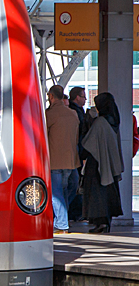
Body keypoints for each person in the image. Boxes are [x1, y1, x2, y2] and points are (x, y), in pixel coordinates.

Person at [82, 92, 125, 234]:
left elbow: (88, 143)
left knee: (97, 195)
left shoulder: (100, 122)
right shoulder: (114, 121)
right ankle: (106, 222)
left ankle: (100, 223)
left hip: (97, 164)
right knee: (108, 194)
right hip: (109, 164)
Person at [45, 85, 80, 234]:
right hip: (70, 160)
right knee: (65, 191)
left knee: (56, 194)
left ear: (51, 97)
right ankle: (62, 219)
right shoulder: (73, 114)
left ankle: (61, 224)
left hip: (54, 161)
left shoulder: (49, 115)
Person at [67, 86, 88, 221]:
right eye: (84, 96)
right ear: (77, 97)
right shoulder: (75, 112)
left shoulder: (76, 111)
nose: (85, 99)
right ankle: (72, 211)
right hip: (76, 154)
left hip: (75, 153)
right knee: (74, 183)